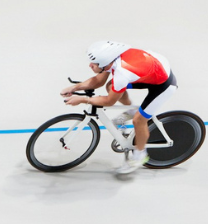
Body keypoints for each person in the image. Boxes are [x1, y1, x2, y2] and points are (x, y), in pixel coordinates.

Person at [61, 41, 177, 174]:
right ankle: (131, 110)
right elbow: (99, 81)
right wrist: (74, 87)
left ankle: (140, 155)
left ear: (105, 63)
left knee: (139, 120)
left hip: (164, 85)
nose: (90, 65)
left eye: (94, 63)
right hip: (151, 69)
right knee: (111, 86)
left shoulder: (122, 73)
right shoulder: (111, 59)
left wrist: (83, 99)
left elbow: (110, 101)